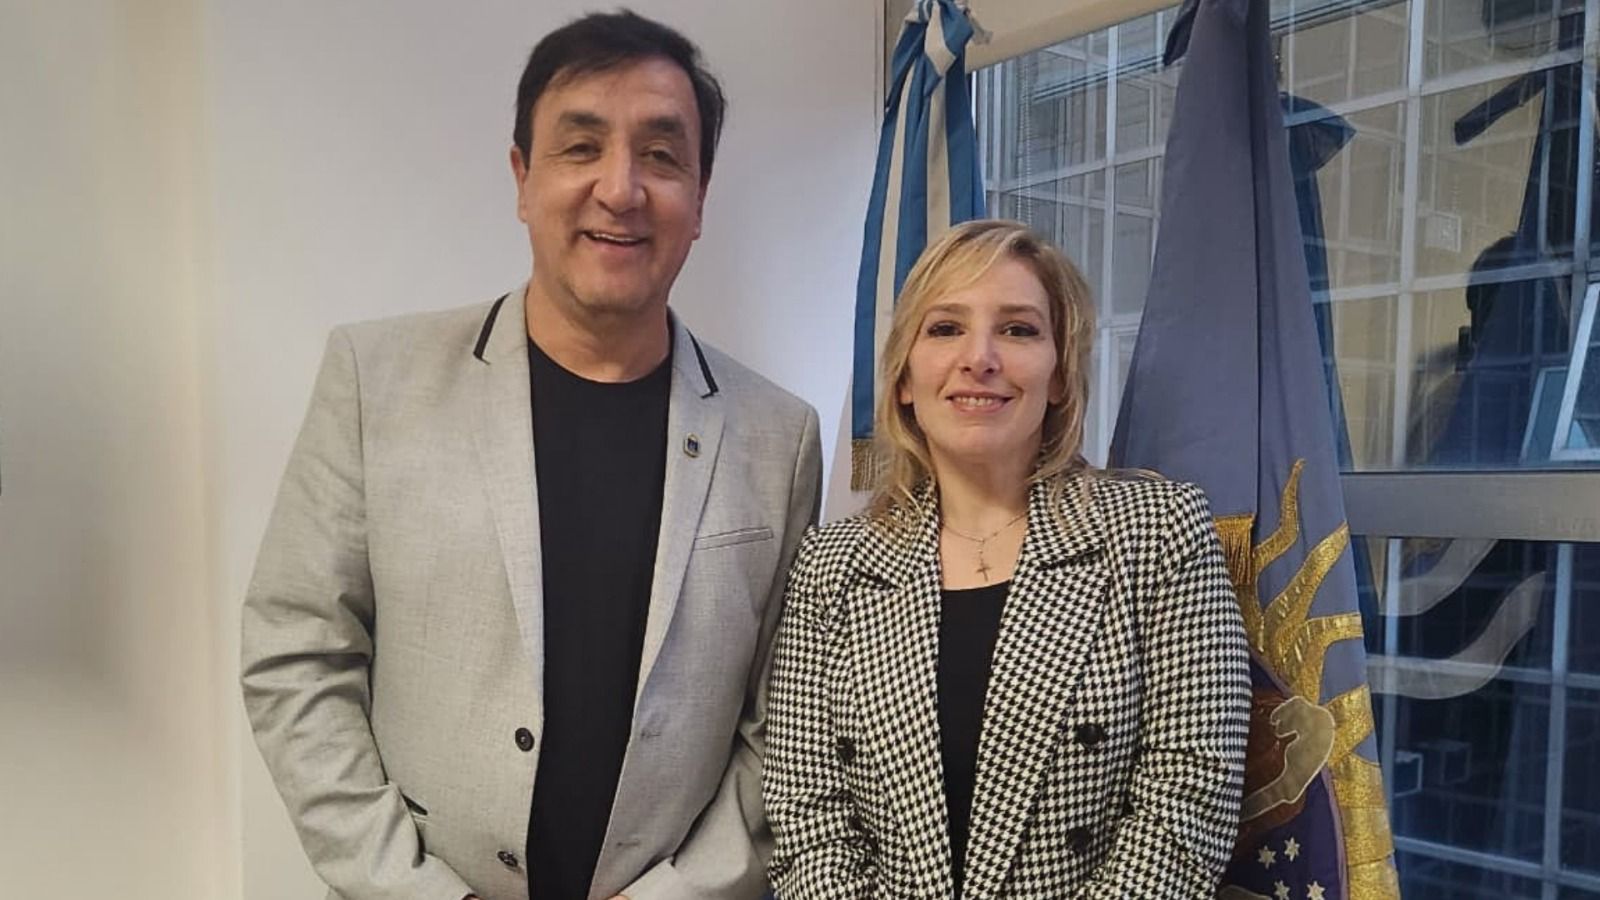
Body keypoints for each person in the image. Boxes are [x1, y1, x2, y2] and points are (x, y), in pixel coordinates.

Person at [241, 11, 821, 900]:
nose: (621, 189)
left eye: (661, 156)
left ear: (701, 196)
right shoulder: (374, 379)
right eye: (581, 147)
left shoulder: (781, 437)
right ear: (522, 177)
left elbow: (783, 725)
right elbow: (297, 654)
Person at [763, 219, 1250, 898]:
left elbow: (1189, 801)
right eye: (945, 328)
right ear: (904, 379)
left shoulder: (1158, 532)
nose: (979, 358)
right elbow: (805, 817)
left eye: (1018, 330)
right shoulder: (831, 563)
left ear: (1060, 374)